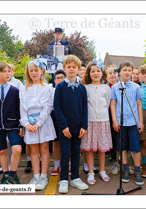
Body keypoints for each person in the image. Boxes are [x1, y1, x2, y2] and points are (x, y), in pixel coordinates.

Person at [54, 55, 89, 194]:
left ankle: (75, 178)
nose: (71, 69)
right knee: (65, 152)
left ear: (79, 69)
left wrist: (84, 126)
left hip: (78, 127)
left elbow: (85, 108)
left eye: (74, 67)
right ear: (64, 69)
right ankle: (63, 180)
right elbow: (57, 107)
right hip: (65, 128)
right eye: (69, 67)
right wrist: (63, 126)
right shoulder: (61, 87)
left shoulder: (82, 88)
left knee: (76, 152)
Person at [19, 59, 56, 190]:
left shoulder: (48, 88)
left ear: (42, 71)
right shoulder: (23, 89)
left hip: (43, 122)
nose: (34, 73)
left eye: (36, 70)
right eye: (31, 70)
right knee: (33, 149)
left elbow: (48, 108)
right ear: (28, 72)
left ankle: (43, 177)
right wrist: (26, 123)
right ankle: (36, 176)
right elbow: (22, 108)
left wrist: (38, 123)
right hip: (29, 123)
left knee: (44, 149)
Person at [0, 61, 24, 184]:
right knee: (2, 151)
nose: (7, 73)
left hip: (13, 124)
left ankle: (13, 175)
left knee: (17, 149)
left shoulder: (15, 90)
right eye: (4, 71)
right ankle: (5, 175)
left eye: (9, 71)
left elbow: (19, 108)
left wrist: (20, 125)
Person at [110, 61, 144, 185]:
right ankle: (125, 170)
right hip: (120, 122)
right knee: (122, 147)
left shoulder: (136, 87)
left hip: (133, 123)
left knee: (136, 147)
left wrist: (140, 121)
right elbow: (113, 104)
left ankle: (137, 171)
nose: (127, 72)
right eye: (125, 70)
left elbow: (139, 104)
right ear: (120, 71)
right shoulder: (115, 87)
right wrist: (114, 120)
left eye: (130, 70)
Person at [80, 59, 112, 185]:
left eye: (98, 71)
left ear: (102, 73)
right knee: (90, 148)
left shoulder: (106, 88)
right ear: (88, 74)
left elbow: (107, 104)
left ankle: (102, 171)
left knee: (102, 148)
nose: (95, 73)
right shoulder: (85, 88)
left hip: (103, 121)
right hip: (89, 121)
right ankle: (91, 172)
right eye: (92, 71)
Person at [50, 69, 66, 176]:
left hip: (67, 117)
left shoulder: (69, 90)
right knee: (56, 142)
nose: (59, 80)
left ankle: (68, 165)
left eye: (62, 78)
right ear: (54, 80)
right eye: (57, 78)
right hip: (54, 117)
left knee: (67, 141)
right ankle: (56, 165)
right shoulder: (51, 91)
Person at [106, 65, 119, 175]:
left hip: (121, 116)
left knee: (121, 139)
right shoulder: (105, 87)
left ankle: (123, 160)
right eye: (110, 73)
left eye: (114, 72)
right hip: (108, 116)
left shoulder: (121, 86)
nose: (112, 75)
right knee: (112, 138)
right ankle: (114, 160)